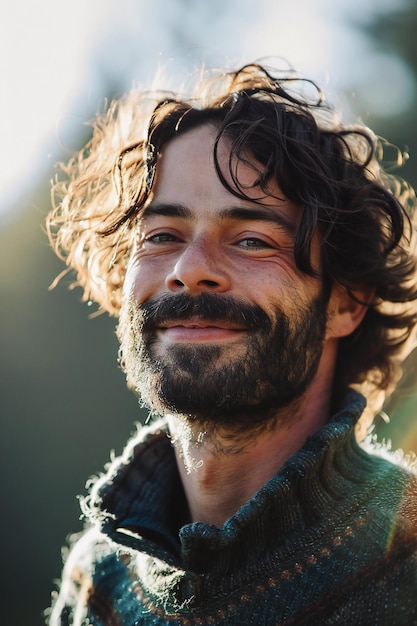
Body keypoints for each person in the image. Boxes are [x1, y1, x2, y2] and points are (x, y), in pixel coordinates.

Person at [47, 62, 417, 625]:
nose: (189, 271)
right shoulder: (99, 580)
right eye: (162, 236)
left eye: (250, 239)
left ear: (345, 303)